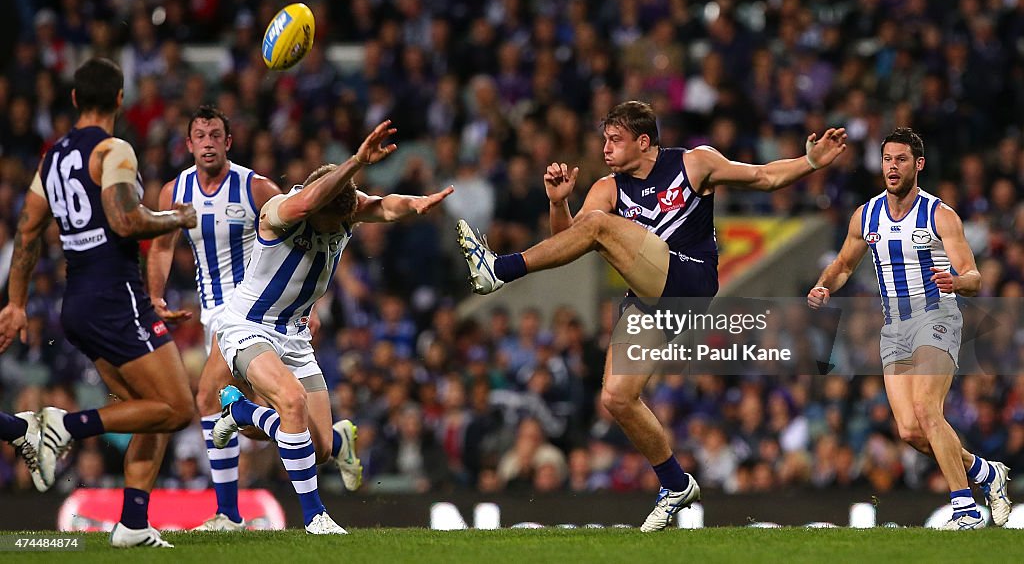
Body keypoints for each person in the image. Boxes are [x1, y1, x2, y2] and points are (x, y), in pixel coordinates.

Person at [457, 100, 847, 531]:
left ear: (644, 142)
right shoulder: (608, 187)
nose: (605, 147)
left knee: (600, 225)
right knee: (616, 397)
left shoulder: (694, 164)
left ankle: (500, 269)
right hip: (649, 296)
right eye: (604, 138)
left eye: (615, 139)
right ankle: (676, 484)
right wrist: (558, 205)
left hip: (690, 279)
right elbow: (569, 243)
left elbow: (763, 176)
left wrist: (811, 161)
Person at [210, 120, 453, 534]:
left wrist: (414, 205)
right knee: (291, 403)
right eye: (333, 221)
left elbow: (383, 206)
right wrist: (358, 159)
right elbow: (305, 206)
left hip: (295, 334)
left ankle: (242, 410)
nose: (340, 228)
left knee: (317, 447)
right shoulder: (282, 212)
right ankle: (315, 517)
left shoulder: (343, 208)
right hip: (247, 325)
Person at [0, 58, 198, 548]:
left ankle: (132, 524)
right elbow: (126, 221)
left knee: (145, 410)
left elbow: (27, 232)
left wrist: (16, 304)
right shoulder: (114, 149)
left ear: (73, 100)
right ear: (120, 100)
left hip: (78, 302)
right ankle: (62, 426)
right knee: (176, 408)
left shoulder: (52, 158)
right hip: (116, 296)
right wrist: (177, 217)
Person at [808, 127, 1012, 530]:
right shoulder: (866, 215)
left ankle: (966, 509)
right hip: (894, 326)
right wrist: (823, 285)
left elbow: (974, 275)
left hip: (936, 316)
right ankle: (986, 474)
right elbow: (845, 265)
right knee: (910, 430)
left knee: (926, 409)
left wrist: (957, 280)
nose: (892, 167)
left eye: (901, 159)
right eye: (887, 159)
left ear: (917, 164)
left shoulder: (940, 214)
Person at [146, 106, 284, 530]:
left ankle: (228, 513)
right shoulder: (175, 191)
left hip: (254, 314)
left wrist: (303, 308)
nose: (207, 142)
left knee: (208, 401)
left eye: (215, 135)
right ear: (188, 145)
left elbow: (296, 248)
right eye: (200, 135)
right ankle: (329, 438)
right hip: (214, 319)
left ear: (229, 142)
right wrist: (154, 295)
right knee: (247, 420)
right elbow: (163, 246)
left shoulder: (257, 188)